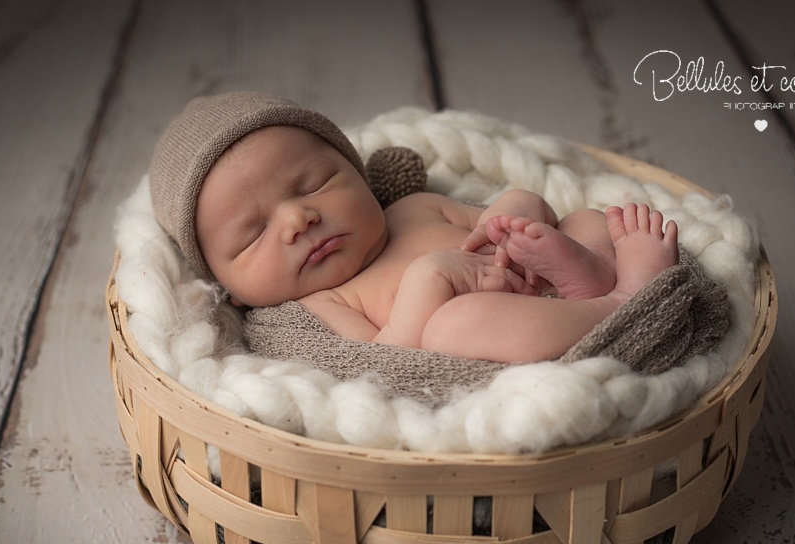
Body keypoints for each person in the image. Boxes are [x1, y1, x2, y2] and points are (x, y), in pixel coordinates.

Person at [150, 92, 679, 364]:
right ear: (227, 289)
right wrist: (431, 280)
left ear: (358, 175)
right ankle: (619, 302)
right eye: (252, 234)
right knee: (457, 326)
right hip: (502, 333)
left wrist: (516, 216)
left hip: (545, 283)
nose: (296, 219)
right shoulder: (316, 310)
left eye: (313, 184)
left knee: (585, 220)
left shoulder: (414, 209)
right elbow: (386, 364)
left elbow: (508, 212)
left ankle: (590, 278)